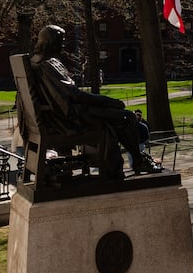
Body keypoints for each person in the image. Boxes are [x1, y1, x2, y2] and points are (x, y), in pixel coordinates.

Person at [25, 25, 157, 176]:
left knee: (116, 117)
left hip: (58, 115)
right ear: (51, 42)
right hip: (68, 118)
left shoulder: (37, 60)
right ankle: (137, 163)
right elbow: (74, 95)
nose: (63, 43)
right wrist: (108, 101)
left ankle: (130, 162)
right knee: (127, 117)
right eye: (61, 40)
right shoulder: (48, 64)